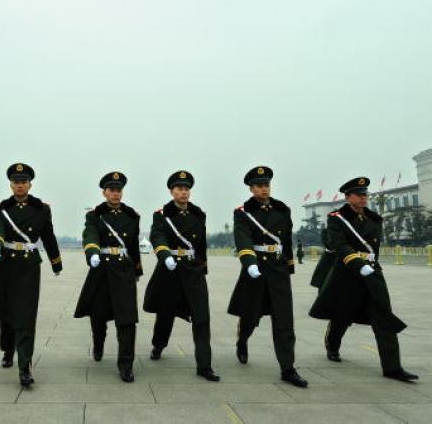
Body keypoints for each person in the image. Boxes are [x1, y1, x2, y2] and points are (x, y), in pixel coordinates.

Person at [309, 177, 417, 382]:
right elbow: (339, 245)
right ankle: (333, 345)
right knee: (342, 316)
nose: (363, 198)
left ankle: (392, 367)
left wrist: (370, 266)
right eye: (359, 195)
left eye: (365, 195)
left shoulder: (374, 219)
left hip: (372, 273)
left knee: (383, 316)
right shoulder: (337, 218)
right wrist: (359, 265)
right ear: (348, 197)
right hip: (347, 274)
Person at [227, 166, 308, 388]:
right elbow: (242, 238)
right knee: (250, 316)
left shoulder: (282, 210)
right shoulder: (243, 212)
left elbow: (286, 240)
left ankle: (287, 368)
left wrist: (289, 264)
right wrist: (249, 262)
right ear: (251, 188)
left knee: (284, 320)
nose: (264, 189)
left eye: (267, 185)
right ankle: (242, 341)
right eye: (260, 186)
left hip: (278, 270)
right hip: (256, 269)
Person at [0, 163, 62, 387]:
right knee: (6, 315)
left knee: (25, 317)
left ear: (30, 184)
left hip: (28, 267)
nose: (20, 185)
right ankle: (8, 349)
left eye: (24, 182)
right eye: (16, 182)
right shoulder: (2, 209)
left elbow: (48, 235)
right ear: (11, 184)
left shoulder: (41, 209)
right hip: (6, 264)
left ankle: (25, 367)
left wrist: (56, 262)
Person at [143, 170, 219, 381]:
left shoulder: (198, 214)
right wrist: (165, 255)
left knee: (202, 317)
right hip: (170, 270)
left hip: (193, 271)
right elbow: (156, 236)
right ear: (171, 191)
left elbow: (201, 244)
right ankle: (158, 345)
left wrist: (202, 267)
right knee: (165, 314)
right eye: (179, 189)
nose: (183, 192)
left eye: (186, 189)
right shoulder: (161, 215)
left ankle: (204, 365)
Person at [74, 172, 142, 383]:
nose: (115, 193)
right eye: (112, 190)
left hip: (123, 271)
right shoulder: (95, 215)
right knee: (98, 314)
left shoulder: (131, 215)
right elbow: (90, 234)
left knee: (127, 319)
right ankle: (98, 343)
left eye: (118, 190)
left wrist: (137, 270)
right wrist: (92, 252)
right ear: (104, 192)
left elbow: (132, 247)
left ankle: (126, 365)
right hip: (101, 269)